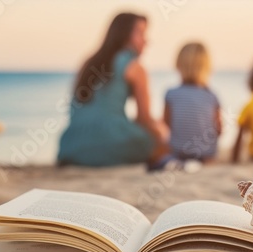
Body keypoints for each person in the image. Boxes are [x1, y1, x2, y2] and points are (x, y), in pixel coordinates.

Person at [58, 13, 171, 169]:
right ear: (124, 35)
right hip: (109, 145)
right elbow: (144, 119)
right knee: (163, 143)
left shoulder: (88, 62)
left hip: (70, 146)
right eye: (141, 33)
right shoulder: (135, 67)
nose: (146, 40)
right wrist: (164, 133)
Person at [163, 42, 222, 162]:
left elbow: (166, 125)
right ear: (206, 66)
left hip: (179, 154)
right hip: (206, 155)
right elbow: (218, 130)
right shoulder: (211, 96)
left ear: (178, 64)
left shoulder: (171, 94)